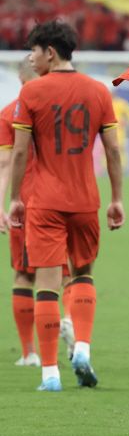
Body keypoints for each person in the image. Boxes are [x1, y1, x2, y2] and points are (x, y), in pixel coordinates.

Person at [8, 21, 125, 391]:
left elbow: (20, 153)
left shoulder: (32, 92)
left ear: (50, 52)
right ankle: (84, 349)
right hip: (85, 200)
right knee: (83, 274)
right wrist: (117, 199)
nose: (31, 57)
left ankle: (50, 374)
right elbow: (113, 150)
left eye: (34, 51)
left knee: (46, 286)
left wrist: (14, 198)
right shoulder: (98, 91)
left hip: (45, 202)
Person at [0, 58, 74, 365]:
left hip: (27, 201)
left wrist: (3, 203)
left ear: (21, 80)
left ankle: (29, 352)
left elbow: (5, 163)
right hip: (66, 199)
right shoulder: (63, 109)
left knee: (24, 274)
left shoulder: (9, 113)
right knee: (66, 272)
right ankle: (70, 321)